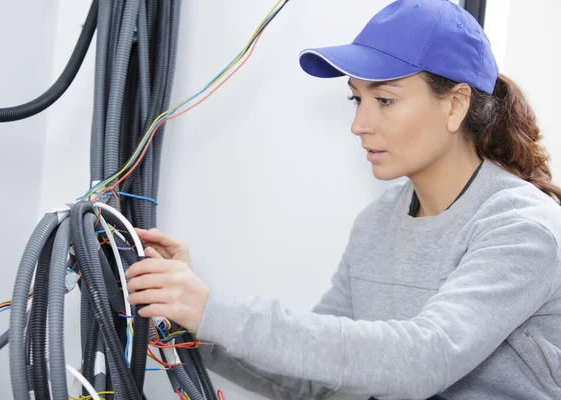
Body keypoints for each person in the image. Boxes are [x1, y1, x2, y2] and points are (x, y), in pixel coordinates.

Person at [125, 0, 561, 398]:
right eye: (357, 98)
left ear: (455, 105)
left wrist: (214, 310)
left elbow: (428, 358)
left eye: (385, 100)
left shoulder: (523, 228)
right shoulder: (377, 222)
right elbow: (321, 380)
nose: (359, 124)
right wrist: (191, 319)